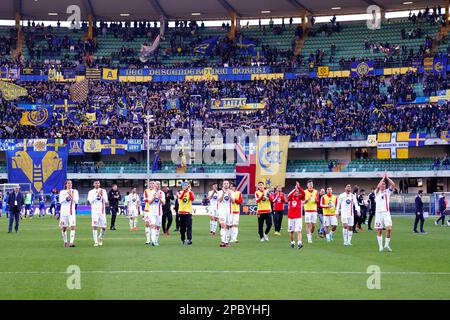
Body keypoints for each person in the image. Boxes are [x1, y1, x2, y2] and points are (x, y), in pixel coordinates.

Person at [375, 171, 396, 252]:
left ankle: (386, 245)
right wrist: (383, 178)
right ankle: (380, 246)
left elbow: (393, 185)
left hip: (386, 213)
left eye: (384, 184)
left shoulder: (388, 191)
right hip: (378, 213)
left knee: (389, 229)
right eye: (381, 184)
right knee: (379, 230)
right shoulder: (376, 192)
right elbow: (377, 187)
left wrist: (387, 178)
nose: (382, 185)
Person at [87, 180, 109, 247]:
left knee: (104, 227)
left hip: (102, 211)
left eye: (98, 183)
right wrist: (97, 194)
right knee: (95, 226)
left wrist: (101, 194)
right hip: (94, 211)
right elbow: (90, 201)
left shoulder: (103, 191)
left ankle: (100, 237)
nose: (97, 184)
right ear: (93, 184)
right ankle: (96, 241)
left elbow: (106, 200)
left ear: (99, 184)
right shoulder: (91, 192)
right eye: (96, 183)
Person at [59, 180, 79, 247]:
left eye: (71, 183)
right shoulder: (62, 192)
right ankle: (65, 241)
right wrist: (66, 198)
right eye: (68, 183)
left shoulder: (75, 191)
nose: (70, 184)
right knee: (64, 228)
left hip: (71, 212)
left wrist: (71, 196)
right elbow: (60, 201)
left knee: (72, 227)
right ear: (66, 185)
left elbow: (76, 201)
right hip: (64, 212)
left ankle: (71, 242)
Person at [287, 182, 305, 249]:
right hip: (291, 217)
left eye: (297, 191)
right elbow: (289, 195)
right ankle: (292, 242)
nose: (296, 192)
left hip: (298, 217)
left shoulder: (300, 197)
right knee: (291, 231)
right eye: (295, 191)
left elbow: (304, 193)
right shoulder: (290, 198)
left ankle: (299, 243)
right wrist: (295, 189)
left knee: (299, 230)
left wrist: (299, 187)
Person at [147, 181, 166, 246]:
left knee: (158, 227)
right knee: (152, 226)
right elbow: (149, 202)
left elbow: (164, 203)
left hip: (159, 212)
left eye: (159, 184)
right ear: (154, 185)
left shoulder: (162, 193)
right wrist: (154, 197)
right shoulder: (150, 192)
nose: (158, 185)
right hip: (152, 212)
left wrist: (160, 198)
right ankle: (153, 241)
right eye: (157, 184)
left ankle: (156, 240)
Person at [218, 180, 234, 247]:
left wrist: (229, 195)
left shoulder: (232, 192)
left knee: (228, 226)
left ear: (229, 185)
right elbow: (219, 200)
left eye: (227, 183)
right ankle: (222, 241)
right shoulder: (219, 192)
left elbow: (233, 201)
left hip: (229, 212)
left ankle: (227, 241)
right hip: (222, 212)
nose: (226, 184)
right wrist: (223, 194)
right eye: (225, 183)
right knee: (223, 225)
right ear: (223, 185)